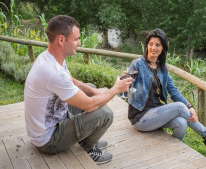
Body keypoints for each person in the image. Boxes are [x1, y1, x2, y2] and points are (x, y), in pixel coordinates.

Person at [24, 15, 133, 164]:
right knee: (105, 114)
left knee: (91, 89)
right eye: (76, 39)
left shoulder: (49, 57)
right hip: (48, 140)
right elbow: (89, 105)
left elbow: (71, 80)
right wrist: (116, 89)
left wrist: (94, 92)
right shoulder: (52, 72)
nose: (79, 42)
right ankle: (88, 148)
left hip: (50, 122)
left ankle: (85, 138)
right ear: (61, 40)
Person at [127, 29, 206, 148]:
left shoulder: (162, 68)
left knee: (181, 123)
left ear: (163, 49)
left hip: (156, 113)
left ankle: (173, 151)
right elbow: (127, 85)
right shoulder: (137, 64)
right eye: (151, 44)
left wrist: (190, 106)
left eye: (157, 45)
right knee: (180, 107)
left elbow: (173, 90)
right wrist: (127, 82)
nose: (153, 48)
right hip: (140, 117)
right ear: (147, 45)